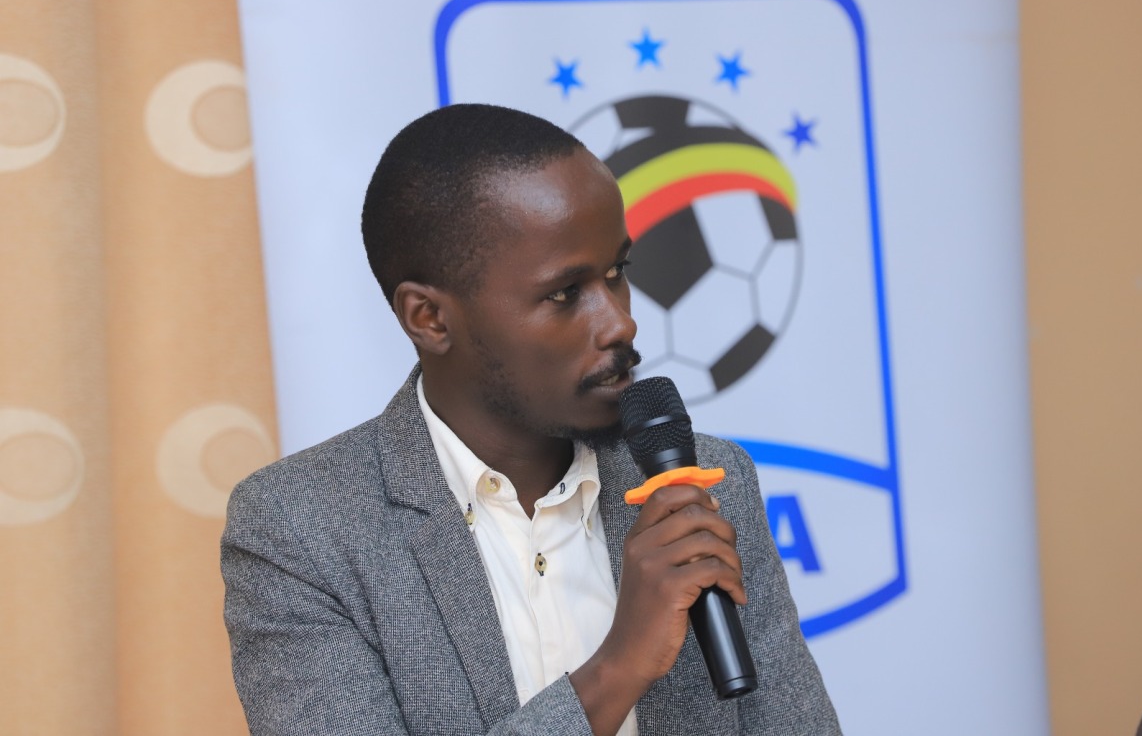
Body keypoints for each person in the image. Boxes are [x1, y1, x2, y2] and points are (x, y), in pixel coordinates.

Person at [221, 103, 840, 736]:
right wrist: (620, 665)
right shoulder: (301, 529)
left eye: (616, 274)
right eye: (564, 293)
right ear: (429, 319)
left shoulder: (705, 482)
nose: (620, 322)